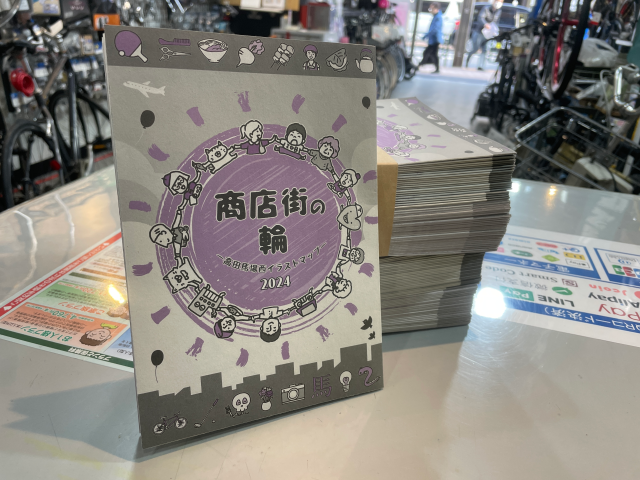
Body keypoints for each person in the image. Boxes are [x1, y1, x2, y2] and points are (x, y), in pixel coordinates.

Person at [466, 0, 502, 70]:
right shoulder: (486, 8)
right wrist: (485, 24)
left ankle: (481, 66)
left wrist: (494, 29)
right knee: (475, 48)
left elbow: (496, 21)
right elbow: (480, 18)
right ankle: (468, 60)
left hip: (488, 33)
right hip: (480, 31)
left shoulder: (499, 11)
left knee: (485, 49)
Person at [420, 3, 443, 73]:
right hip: (434, 39)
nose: (430, 10)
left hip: (435, 39)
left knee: (428, 53)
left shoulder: (438, 17)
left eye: (431, 9)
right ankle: (425, 64)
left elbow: (434, 29)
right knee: (432, 54)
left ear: (436, 9)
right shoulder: (436, 16)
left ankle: (421, 64)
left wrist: (426, 36)